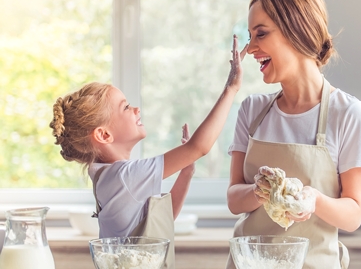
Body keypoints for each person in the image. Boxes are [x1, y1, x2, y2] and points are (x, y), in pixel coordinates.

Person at [50, 35, 247, 269]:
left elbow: (160, 221)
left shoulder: (109, 177)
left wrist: (186, 173)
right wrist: (231, 88)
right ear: (104, 136)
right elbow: (199, 147)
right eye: (125, 107)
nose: (136, 108)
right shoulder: (125, 176)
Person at [226, 0, 361, 269]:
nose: (250, 49)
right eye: (250, 37)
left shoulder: (349, 115)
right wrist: (260, 191)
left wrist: (313, 199)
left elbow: (353, 213)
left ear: (297, 29)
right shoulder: (252, 110)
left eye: (261, 33)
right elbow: (234, 199)